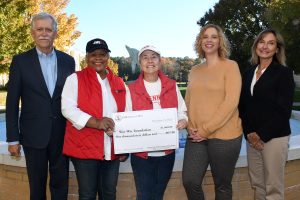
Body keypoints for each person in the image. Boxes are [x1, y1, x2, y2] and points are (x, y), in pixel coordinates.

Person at [5, 12, 75, 200]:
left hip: (61, 134)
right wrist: (13, 138)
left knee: (60, 184)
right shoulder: (20, 61)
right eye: (39, 29)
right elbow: (12, 102)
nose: (44, 33)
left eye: (48, 29)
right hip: (32, 135)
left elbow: (72, 98)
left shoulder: (68, 61)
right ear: (32, 33)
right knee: (36, 186)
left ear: (55, 33)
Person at [182, 24, 243, 200]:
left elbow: (230, 103)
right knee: (190, 181)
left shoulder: (230, 66)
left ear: (220, 41)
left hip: (225, 137)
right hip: (196, 136)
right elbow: (189, 102)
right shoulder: (194, 70)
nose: (209, 40)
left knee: (222, 186)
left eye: (214, 36)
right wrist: (190, 127)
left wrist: (205, 130)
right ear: (200, 41)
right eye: (205, 36)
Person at [62, 38, 127, 200]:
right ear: (86, 57)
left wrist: (125, 144)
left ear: (108, 57)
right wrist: (97, 122)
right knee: (87, 194)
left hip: (112, 149)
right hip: (84, 148)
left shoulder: (118, 82)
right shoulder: (74, 79)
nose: (98, 58)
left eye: (103, 54)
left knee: (109, 193)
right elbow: (68, 109)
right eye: (93, 54)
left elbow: (127, 113)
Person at [126, 45, 188, 200]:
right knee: (144, 195)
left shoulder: (171, 85)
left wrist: (183, 120)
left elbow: (182, 110)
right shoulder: (131, 89)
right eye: (145, 57)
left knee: (158, 194)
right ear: (140, 63)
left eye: (153, 57)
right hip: (141, 155)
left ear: (160, 61)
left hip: (167, 153)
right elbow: (126, 116)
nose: (150, 61)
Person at [239, 29, 295, 200]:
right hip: (252, 138)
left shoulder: (283, 73)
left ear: (277, 49)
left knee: (273, 188)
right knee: (258, 185)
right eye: (262, 41)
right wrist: (249, 134)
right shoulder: (248, 73)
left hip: (274, 138)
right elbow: (243, 106)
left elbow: (283, 110)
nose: (265, 46)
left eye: (271, 43)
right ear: (256, 45)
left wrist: (261, 135)